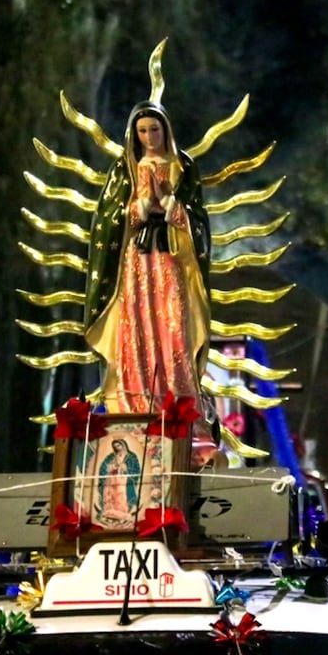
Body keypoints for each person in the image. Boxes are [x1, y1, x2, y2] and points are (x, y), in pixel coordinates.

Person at [83, 100, 212, 418]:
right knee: (135, 326)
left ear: (166, 129)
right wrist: (140, 206)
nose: (149, 137)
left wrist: (169, 204)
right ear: (134, 133)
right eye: (142, 131)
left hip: (171, 259)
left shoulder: (183, 167)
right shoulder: (124, 168)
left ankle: (178, 408)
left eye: (154, 129)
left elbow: (198, 219)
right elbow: (108, 218)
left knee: (173, 328)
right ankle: (133, 403)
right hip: (136, 261)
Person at [97, 438, 142, 526]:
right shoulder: (111, 456)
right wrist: (110, 467)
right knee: (110, 494)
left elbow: (136, 469)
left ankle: (122, 513)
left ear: (123, 445)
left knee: (121, 495)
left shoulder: (131, 456)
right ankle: (109, 512)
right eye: (115, 447)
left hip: (124, 480)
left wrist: (126, 468)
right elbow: (103, 467)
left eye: (118, 445)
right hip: (111, 479)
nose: (117, 448)